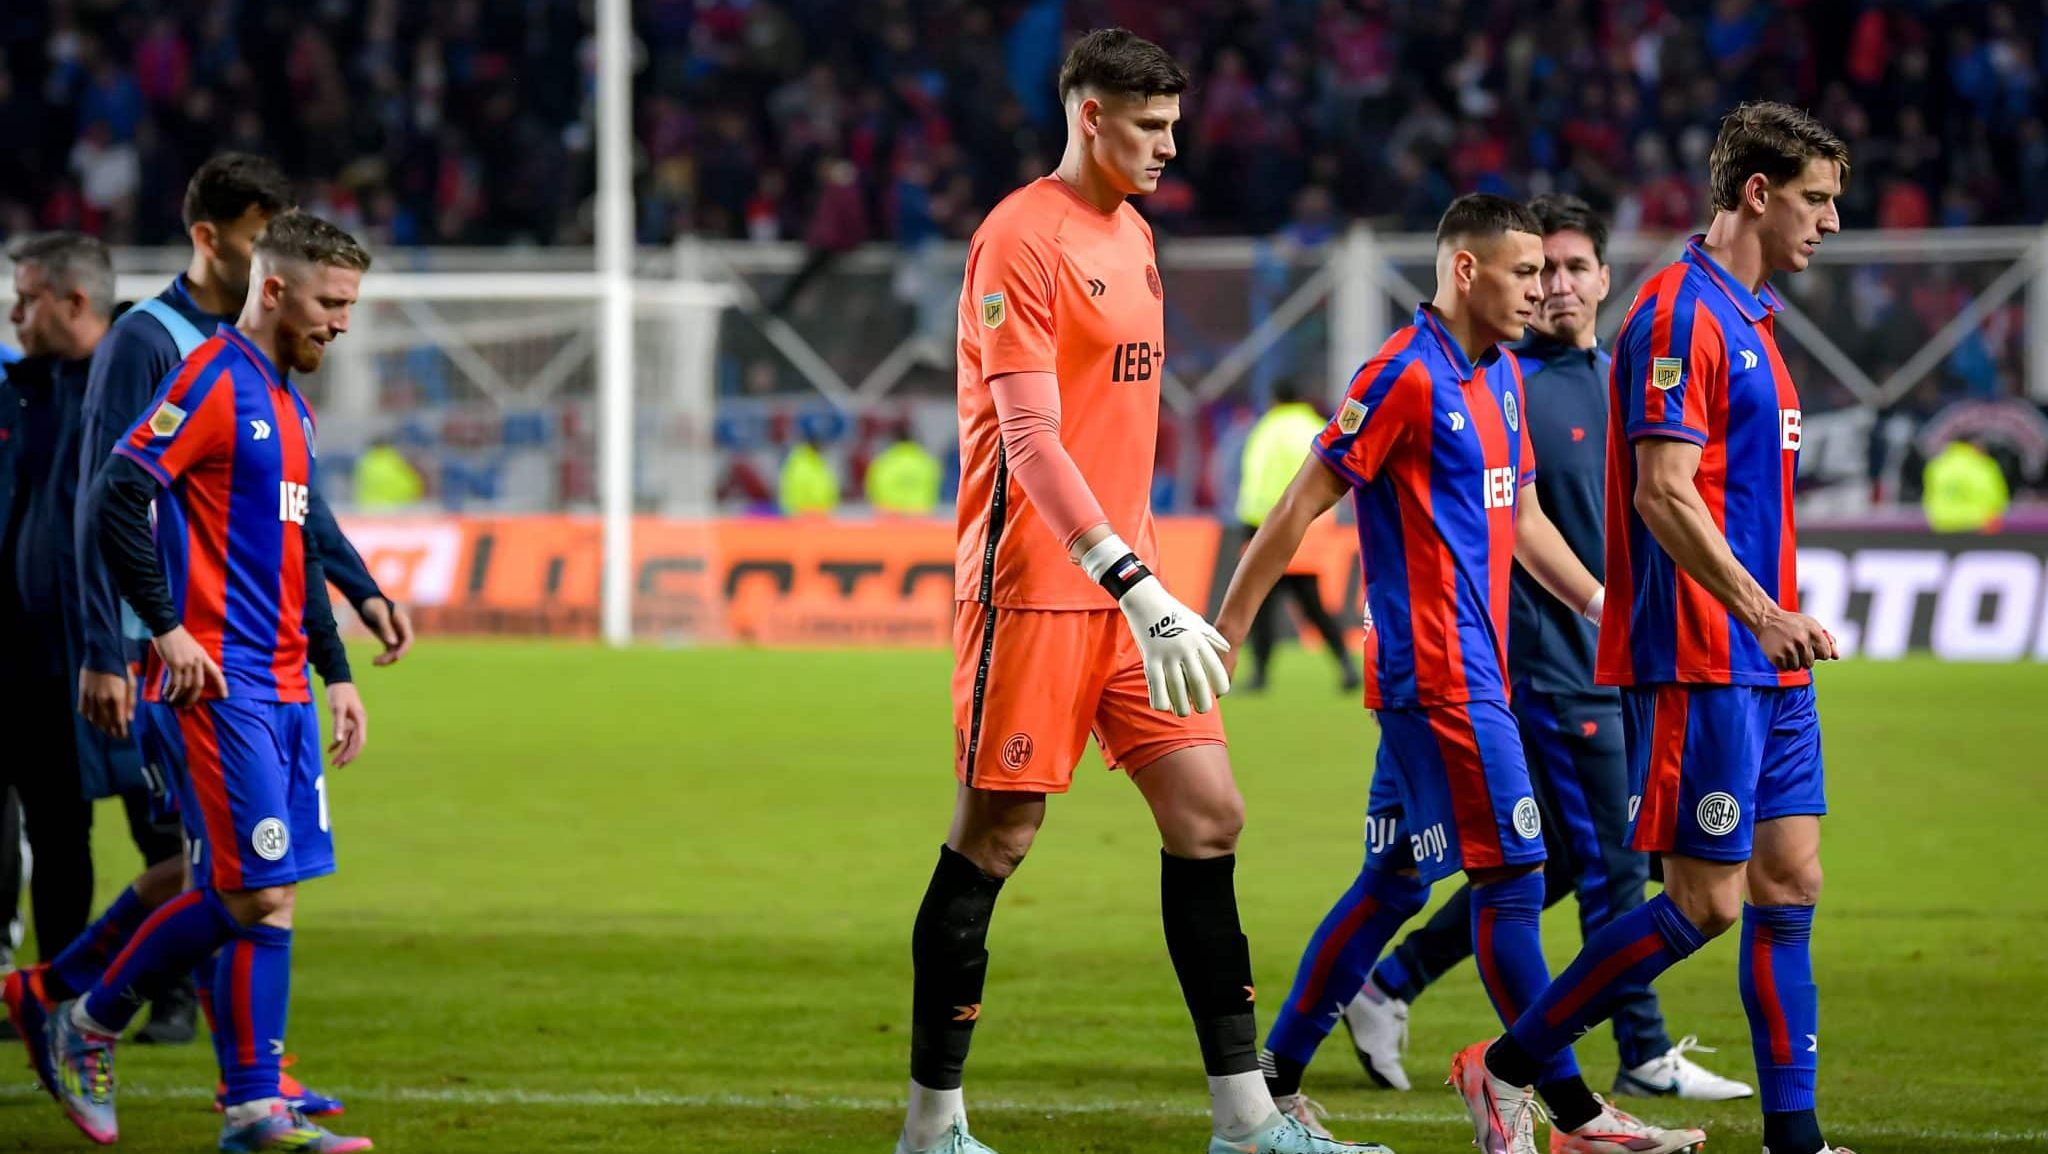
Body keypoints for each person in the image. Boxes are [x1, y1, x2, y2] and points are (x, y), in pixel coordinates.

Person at [898, 28, 1381, 1154]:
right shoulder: (1018, 239)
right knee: (997, 834)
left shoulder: (1135, 234)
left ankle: (1246, 1118)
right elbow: (1028, 436)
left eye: (1173, 123)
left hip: (1131, 594)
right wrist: (1126, 576)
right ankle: (932, 1126)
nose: (1169, 144)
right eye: (1149, 125)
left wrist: (1142, 580)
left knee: (1209, 814)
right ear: (1087, 116)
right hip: (1036, 588)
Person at [1218, 194, 1704, 1154]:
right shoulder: (1401, 375)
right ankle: (1563, 1110)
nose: (1543, 289)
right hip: (1441, 676)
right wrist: (1227, 632)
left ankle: (1270, 1084)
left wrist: (1606, 607)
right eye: (1525, 273)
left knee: (1398, 882)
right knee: (1516, 876)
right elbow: (1294, 508)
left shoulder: (1499, 380)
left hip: (1467, 670)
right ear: (1469, 272)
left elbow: (1519, 518)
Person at [1449, 102, 1849, 1154]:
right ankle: (1505, 1064)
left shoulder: (1751, 316)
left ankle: (1794, 1138)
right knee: (1700, 902)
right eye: (1815, 198)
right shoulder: (1678, 314)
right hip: (1702, 651)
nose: (1830, 222)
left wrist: (1775, 623)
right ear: (1755, 193)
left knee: (1787, 878)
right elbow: (1662, 494)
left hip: (1766, 659)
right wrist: (1760, 611)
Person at [1343, 196, 1751, 1103]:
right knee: (1606, 862)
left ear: (1607, 279)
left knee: (1557, 863)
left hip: (1617, 663)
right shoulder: (1498, 379)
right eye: (1540, 270)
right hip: (1546, 672)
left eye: (1572, 269)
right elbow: (1510, 530)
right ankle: (1638, 1053)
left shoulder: (1619, 380)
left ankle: (1391, 983)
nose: (1555, 287)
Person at [47, 210, 376, 1154]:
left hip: (280, 686)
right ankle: (89, 1020)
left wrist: (338, 671)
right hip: (216, 682)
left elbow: (294, 550)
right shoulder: (213, 380)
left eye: (351, 305)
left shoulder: (289, 400)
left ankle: (253, 1110)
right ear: (274, 289)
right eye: (332, 302)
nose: (342, 323)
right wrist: (163, 628)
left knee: (274, 893)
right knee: (245, 889)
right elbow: (118, 490)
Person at [0, 234, 118, 970]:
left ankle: (156, 993)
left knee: (151, 827)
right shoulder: (24, 389)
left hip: (114, 653)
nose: (14, 313)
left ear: (74, 300)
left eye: (26, 296)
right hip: (24, 654)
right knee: (47, 825)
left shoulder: (136, 383)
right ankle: (46, 989)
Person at [1234, 380, 1359, 693]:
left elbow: (1257, 483)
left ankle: (1259, 675)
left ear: (1275, 399)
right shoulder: (1315, 425)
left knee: (1261, 606)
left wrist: (1251, 527)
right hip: (1310, 529)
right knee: (1313, 605)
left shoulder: (1267, 430)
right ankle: (1345, 664)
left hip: (1268, 527)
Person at [1920, 436, 2007, 532]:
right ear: (1973, 444)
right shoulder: (1983, 465)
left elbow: (1929, 497)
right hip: (1977, 525)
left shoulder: (1937, 466)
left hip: (1942, 525)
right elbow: (1996, 499)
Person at [866, 423, 942, 515]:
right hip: (921, 519)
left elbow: (872, 492)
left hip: (889, 520)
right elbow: (936, 490)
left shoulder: (882, 463)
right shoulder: (928, 463)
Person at [779, 433, 840, 515]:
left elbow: (828, 490)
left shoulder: (817, 462)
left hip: (820, 516)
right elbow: (796, 495)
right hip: (804, 516)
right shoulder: (800, 464)